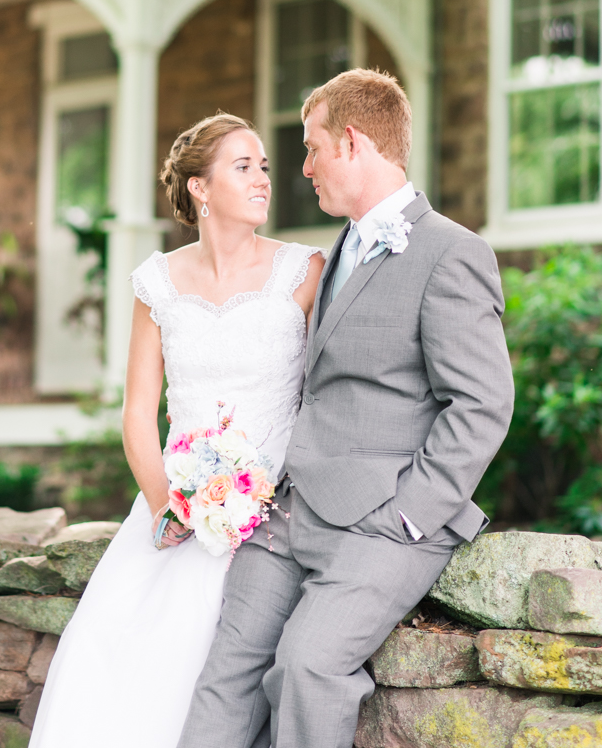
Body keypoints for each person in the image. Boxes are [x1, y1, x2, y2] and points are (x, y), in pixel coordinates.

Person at [177, 68, 515, 748]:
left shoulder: (453, 253)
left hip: (383, 524)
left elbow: (482, 403)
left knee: (307, 666)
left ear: (353, 142)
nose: (301, 168)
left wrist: (410, 516)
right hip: (288, 512)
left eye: (311, 148)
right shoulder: (329, 256)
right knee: (225, 674)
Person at [28, 112, 324, 748]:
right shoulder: (157, 283)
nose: (263, 179)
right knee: (116, 646)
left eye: (264, 166)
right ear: (199, 187)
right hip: (177, 503)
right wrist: (170, 505)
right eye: (243, 167)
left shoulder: (305, 272)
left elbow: (324, 396)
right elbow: (138, 413)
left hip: (275, 507)